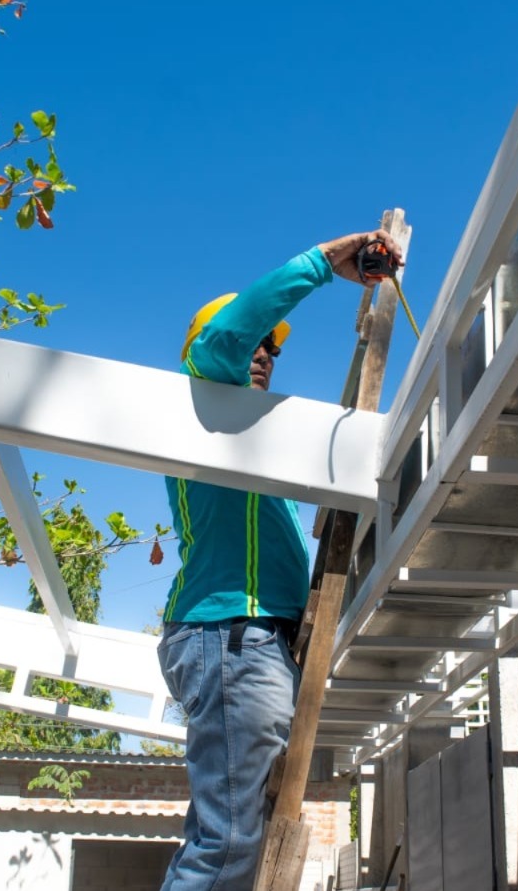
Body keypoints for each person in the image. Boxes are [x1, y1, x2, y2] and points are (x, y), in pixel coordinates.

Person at [156, 229, 403, 890]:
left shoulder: (249, 462)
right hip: (231, 633)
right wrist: (323, 262)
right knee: (228, 839)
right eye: (257, 342)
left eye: (274, 349)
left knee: (235, 832)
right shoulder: (202, 396)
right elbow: (225, 338)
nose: (264, 352)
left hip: (251, 639)